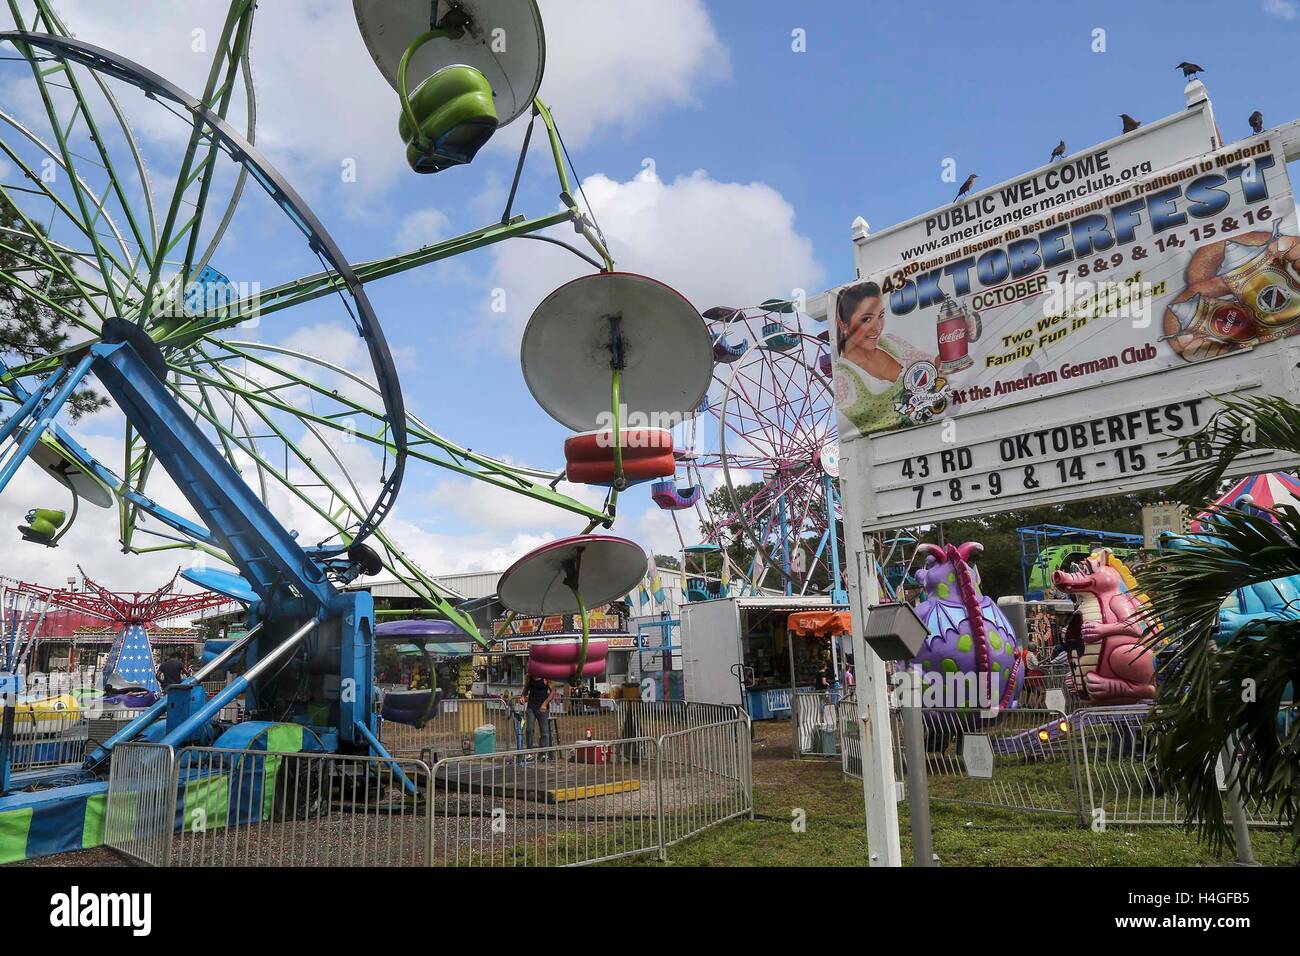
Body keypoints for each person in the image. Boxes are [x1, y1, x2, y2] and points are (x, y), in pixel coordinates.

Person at [833, 281, 933, 435]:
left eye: (880, 316)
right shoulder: (843, 378)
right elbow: (849, 434)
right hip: (894, 449)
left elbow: (935, 368)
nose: (877, 327)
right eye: (866, 319)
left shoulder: (890, 342)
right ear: (843, 325)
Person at [523, 672, 555, 751]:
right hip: (531, 707)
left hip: (543, 708)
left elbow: (553, 692)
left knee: (544, 731)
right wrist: (523, 696)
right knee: (529, 729)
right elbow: (526, 688)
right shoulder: (530, 676)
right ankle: (529, 751)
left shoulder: (545, 677)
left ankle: (544, 752)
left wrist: (545, 703)